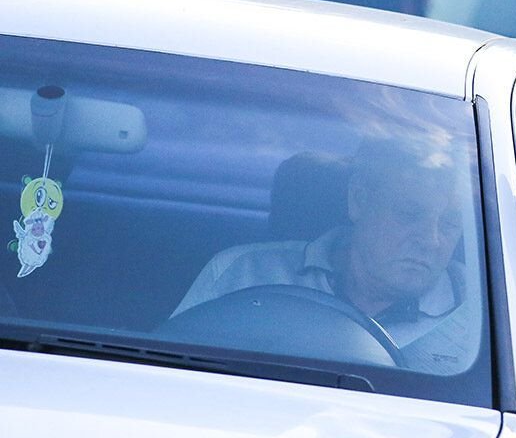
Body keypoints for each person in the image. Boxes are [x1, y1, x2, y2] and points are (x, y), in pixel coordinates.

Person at [173, 136, 476, 375]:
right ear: (358, 200)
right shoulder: (240, 273)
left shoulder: (487, 317)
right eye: (410, 215)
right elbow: (170, 377)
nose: (431, 241)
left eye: (450, 223)